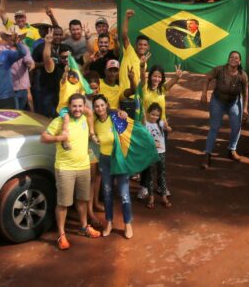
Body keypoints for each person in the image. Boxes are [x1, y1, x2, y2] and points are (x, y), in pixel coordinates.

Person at [41, 93, 99, 249]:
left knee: (82, 200)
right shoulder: (59, 121)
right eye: (74, 106)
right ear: (69, 106)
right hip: (65, 168)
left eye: (80, 106)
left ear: (84, 107)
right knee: (63, 203)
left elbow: (94, 115)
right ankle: (61, 235)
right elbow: (44, 137)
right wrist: (60, 138)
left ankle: (83, 227)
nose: (77, 109)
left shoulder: (86, 118)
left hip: (83, 166)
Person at [89, 94, 134, 238]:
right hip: (105, 161)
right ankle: (109, 222)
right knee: (107, 194)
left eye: (102, 105)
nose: (100, 108)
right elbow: (89, 128)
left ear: (107, 105)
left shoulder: (115, 117)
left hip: (119, 160)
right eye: (96, 106)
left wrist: (124, 114)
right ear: (94, 108)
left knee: (124, 194)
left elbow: (129, 128)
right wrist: (92, 136)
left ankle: (127, 223)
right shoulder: (94, 121)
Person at [200, 51, 249, 169]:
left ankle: (232, 149)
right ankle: (207, 153)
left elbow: (245, 92)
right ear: (228, 59)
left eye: (236, 58)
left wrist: (245, 109)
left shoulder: (243, 74)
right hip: (218, 101)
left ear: (240, 61)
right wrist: (204, 93)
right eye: (231, 57)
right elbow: (207, 78)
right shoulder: (219, 70)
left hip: (234, 102)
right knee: (214, 127)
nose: (233, 59)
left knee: (237, 126)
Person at [31, 26, 68, 116]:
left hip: (58, 89)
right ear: (50, 34)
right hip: (44, 88)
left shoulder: (64, 47)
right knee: (43, 115)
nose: (58, 37)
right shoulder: (41, 48)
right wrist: (49, 63)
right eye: (55, 34)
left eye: (60, 35)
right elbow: (32, 64)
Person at [143, 103, 172, 209]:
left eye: (157, 115)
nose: (154, 117)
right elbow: (144, 138)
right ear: (148, 113)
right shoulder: (145, 124)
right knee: (150, 175)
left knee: (162, 174)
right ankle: (151, 197)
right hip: (151, 153)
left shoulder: (160, 123)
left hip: (161, 152)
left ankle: (164, 196)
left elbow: (169, 130)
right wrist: (153, 143)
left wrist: (167, 127)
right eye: (152, 114)